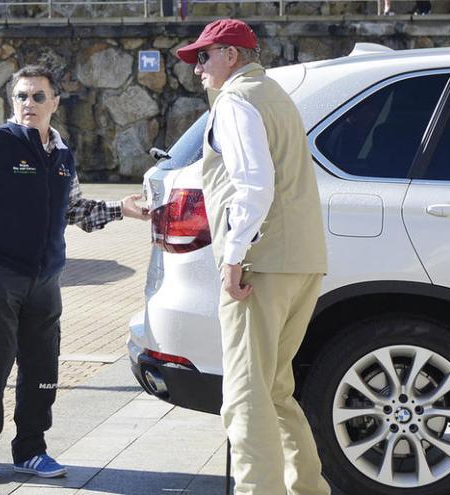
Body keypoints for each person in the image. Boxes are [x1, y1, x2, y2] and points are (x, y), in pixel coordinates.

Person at [0, 65, 149, 483]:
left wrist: (121, 210)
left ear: (55, 102)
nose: (29, 104)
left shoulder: (61, 155)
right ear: (12, 102)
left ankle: (31, 451)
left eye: (39, 96)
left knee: (42, 371)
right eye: (21, 96)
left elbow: (74, 210)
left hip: (46, 283)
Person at [176, 19, 330, 494]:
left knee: (245, 393)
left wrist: (234, 257)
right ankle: (307, 488)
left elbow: (254, 185)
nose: (198, 68)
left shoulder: (237, 101)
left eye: (204, 56)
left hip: (261, 265)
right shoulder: (277, 94)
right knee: (276, 389)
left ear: (231, 55)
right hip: (303, 260)